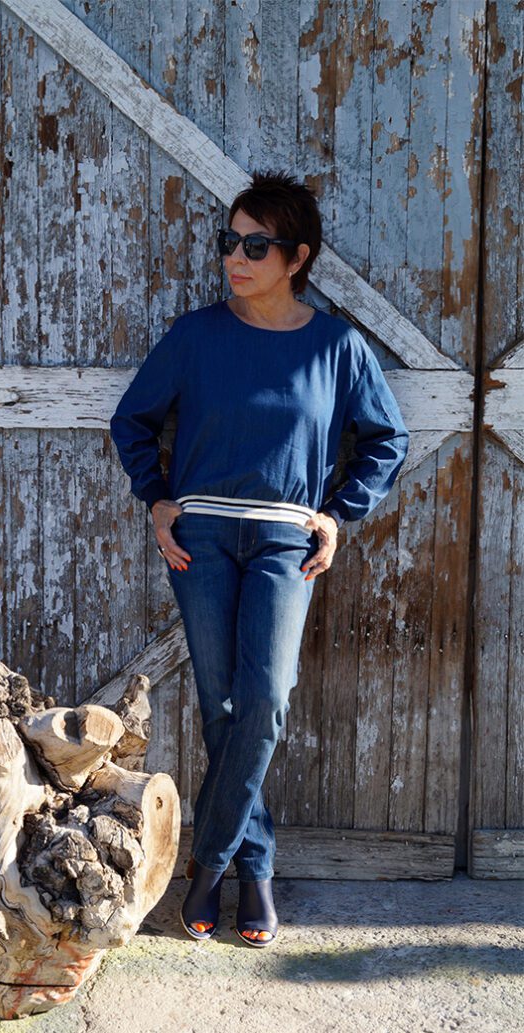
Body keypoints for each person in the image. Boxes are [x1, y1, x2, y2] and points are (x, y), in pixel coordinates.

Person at [109, 170, 409, 948]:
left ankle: (213, 864)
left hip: (285, 542)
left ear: (295, 255)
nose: (234, 259)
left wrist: (338, 514)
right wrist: (157, 497)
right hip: (201, 539)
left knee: (265, 702)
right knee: (222, 710)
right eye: (228, 243)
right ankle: (256, 871)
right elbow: (133, 421)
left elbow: (385, 440)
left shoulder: (336, 346)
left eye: (254, 245)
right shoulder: (195, 336)